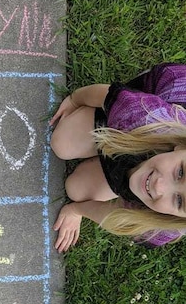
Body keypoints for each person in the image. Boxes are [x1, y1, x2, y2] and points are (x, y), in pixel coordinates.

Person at [50, 62, 186, 252]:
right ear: (181, 147)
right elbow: (105, 95)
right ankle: (104, 129)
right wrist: (75, 100)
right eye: (180, 172)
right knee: (61, 144)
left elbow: (115, 217)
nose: (159, 186)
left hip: (136, 157)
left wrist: (76, 210)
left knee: (76, 190)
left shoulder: (160, 229)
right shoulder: (143, 117)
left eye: (179, 201)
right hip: (141, 124)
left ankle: (120, 165)